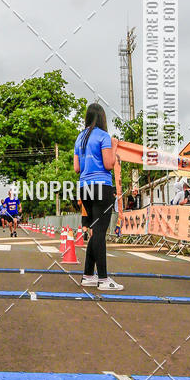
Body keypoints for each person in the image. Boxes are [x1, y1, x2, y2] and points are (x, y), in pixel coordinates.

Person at [74, 102, 123, 291]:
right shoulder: (104, 136)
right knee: (100, 232)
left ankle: (88, 275)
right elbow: (109, 164)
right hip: (101, 186)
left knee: (94, 231)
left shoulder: (80, 138)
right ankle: (103, 279)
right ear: (102, 117)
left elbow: (77, 168)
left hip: (84, 186)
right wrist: (115, 146)